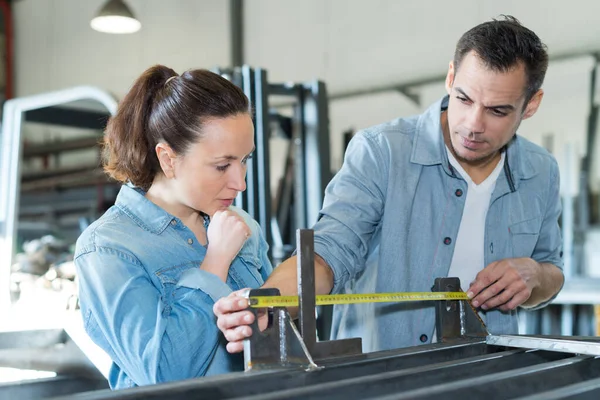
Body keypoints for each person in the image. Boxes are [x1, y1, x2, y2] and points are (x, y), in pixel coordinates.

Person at [214, 15, 564, 355]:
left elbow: (551, 271)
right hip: (384, 378)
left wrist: (534, 276)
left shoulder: (541, 172)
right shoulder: (382, 152)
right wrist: (268, 301)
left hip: (487, 375)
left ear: (531, 105)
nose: (473, 124)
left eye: (497, 111)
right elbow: (330, 252)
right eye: (464, 99)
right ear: (450, 77)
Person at [74, 65, 273, 389]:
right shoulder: (108, 249)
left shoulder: (242, 227)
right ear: (168, 159)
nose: (240, 183)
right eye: (222, 165)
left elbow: (280, 344)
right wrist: (216, 263)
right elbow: (162, 373)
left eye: (244, 160)